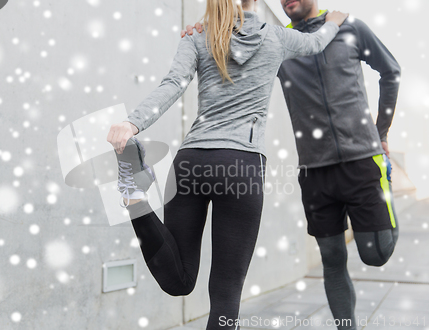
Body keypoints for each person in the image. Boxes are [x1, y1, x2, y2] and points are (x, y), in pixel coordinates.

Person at [107, 0, 348, 328]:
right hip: (242, 165)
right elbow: (317, 43)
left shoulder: (197, 35)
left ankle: (134, 196)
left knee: (178, 280)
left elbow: (172, 85)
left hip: (192, 163)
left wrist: (132, 124)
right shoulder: (277, 37)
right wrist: (333, 21)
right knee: (225, 292)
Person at [181, 1, 400, 329]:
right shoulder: (276, 40)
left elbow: (391, 71)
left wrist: (381, 134)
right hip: (314, 170)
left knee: (375, 254)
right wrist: (204, 26)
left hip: (362, 160)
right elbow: (233, 52)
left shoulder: (350, 27)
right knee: (332, 260)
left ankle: (386, 182)